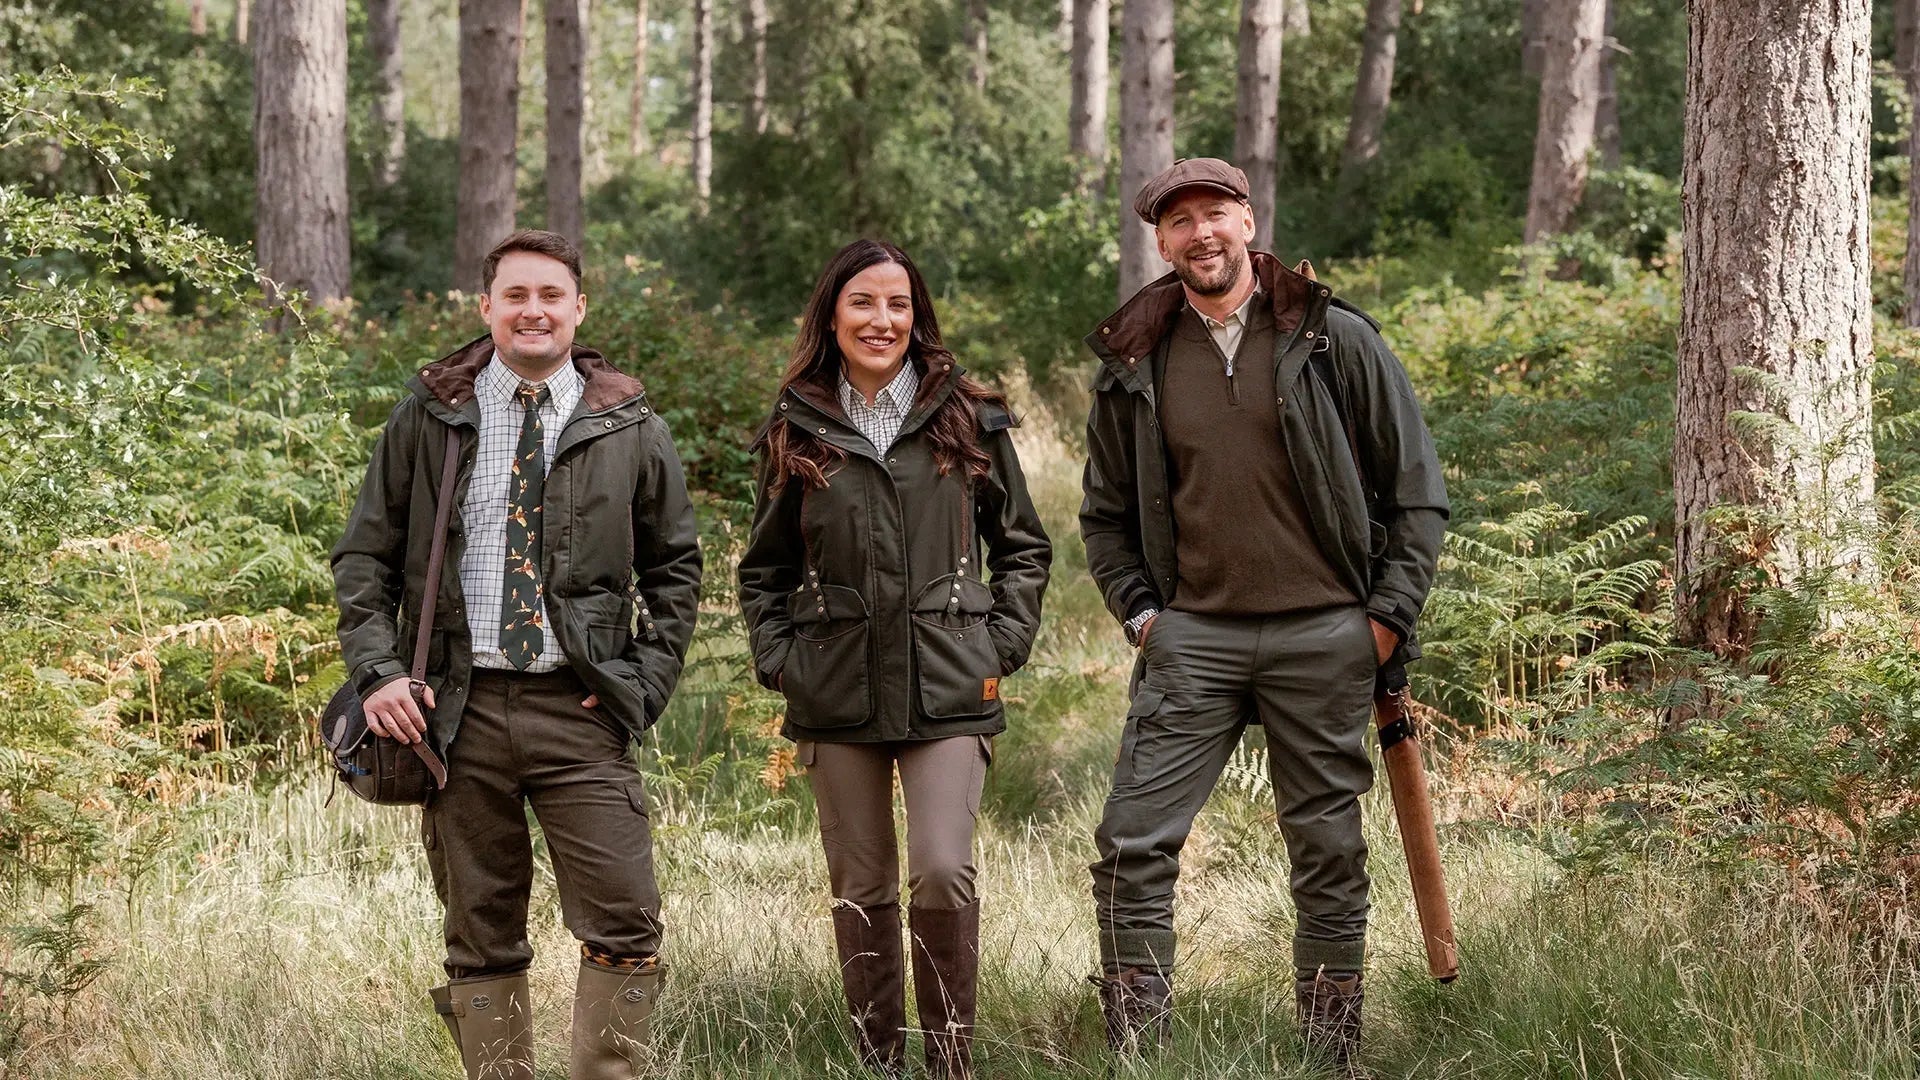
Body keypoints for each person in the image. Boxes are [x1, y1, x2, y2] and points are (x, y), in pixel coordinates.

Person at [1078, 159, 1449, 1072]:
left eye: (1216, 215)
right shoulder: (1135, 359)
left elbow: (1417, 494)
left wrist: (1383, 623)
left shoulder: (1331, 338)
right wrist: (1142, 618)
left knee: (1327, 853)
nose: (1200, 235)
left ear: (1247, 221)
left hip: (1324, 634)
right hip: (1192, 638)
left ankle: (1330, 1057)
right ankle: (1141, 1056)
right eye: (1179, 224)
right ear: (1159, 243)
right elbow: (1105, 515)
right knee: (1131, 846)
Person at [331, 229, 702, 1079]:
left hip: (580, 709)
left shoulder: (629, 425)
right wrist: (381, 674)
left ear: (579, 308)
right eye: (515, 295)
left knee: (626, 917)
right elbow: (363, 557)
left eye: (550, 295)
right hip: (454, 715)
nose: (533, 311)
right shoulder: (431, 417)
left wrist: (637, 686)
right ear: (487, 307)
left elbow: (675, 570)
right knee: (479, 924)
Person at [737, 239, 1051, 1079]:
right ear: (831, 316)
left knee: (943, 870)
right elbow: (762, 569)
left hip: (951, 681)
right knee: (862, 885)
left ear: (918, 317)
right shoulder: (796, 422)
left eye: (899, 305)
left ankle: (951, 1063)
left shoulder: (967, 414)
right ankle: (878, 1062)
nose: (883, 320)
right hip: (833, 688)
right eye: (864, 304)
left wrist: (1000, 642)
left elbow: (1022, 546)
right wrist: (783, 661)